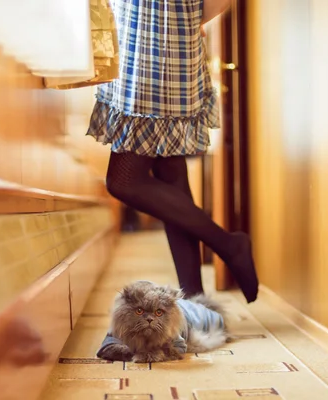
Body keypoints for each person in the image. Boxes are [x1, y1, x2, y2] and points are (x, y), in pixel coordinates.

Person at [86, 0, 258, 303]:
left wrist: (186, 18)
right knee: (171, 180)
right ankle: (196, 304)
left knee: (123, 181)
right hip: (149, 39)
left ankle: (230, 245)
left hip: (151, 46)